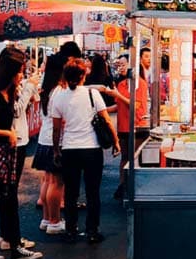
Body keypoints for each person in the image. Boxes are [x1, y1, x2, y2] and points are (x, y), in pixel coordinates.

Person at [0, 46, 43, 259]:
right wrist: (7, 133)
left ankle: (13, 247)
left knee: (5, 199)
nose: (22, 75)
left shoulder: (8, 93)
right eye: (20, 72)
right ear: (10, 73)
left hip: (4, 154)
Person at [52, 58, 120, 244]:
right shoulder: (92, 95)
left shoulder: (59, 97)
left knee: (71, 193)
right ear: (83, 76)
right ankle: (92, 230)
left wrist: (56, 150)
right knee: (92, 191)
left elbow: (56, 129)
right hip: (92, 150)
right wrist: (115, 141)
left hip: (70, 150)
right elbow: (106, 120)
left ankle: (71, 230)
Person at [0, 54, 41, 251]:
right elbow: (15, 111)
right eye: (20, 70)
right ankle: (11, 239)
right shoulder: (1, 89)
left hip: (18, 140)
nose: (22, 74)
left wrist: (28, 91)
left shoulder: (9, 87)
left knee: (7, 193)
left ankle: (8, 236)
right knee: (9, 192)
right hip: (14, 142)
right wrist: (29, 87)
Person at [104, 54, 149, 200]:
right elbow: (119, 105)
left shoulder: (140, 84)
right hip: (123, 127)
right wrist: (102, 110)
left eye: (123, 64)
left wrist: (118, 95)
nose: (121, 67)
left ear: (132, 66)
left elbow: (136, 105)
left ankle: (134, 188)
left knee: (134, 159)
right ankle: (122, 185)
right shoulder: (121, 84)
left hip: (137, 126)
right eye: (119, 65)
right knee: (124, 158)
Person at [33, 53, 66, 235]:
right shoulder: (59, 91)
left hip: (43, 140)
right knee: (57, 182)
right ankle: (55, 221)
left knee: (48, 179)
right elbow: (60, 122)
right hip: (55, 142)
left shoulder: (47, 89)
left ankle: (47, 219)